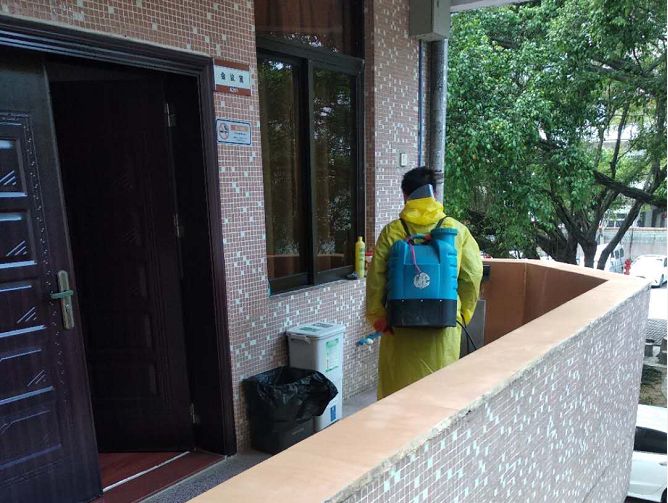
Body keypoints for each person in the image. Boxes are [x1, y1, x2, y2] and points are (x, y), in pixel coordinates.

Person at [366, 167, 483, 399]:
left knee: (397, 395)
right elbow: (473, 275)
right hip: (443, 329)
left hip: (400, 329)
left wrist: (378, 317)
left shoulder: (393, 231)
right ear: (434, 195)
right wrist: (462, 315)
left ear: (405, 196)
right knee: (437, 396)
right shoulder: (456, 231)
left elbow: (376, 279)